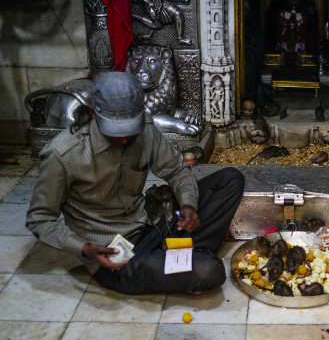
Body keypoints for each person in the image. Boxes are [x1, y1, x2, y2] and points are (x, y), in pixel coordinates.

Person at [26, 72, 244, 295]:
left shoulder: (145, 129)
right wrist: (84, 248)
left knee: (230, 180)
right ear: (93, 114)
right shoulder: (62, 154)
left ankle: (181, 259)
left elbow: (177, 171)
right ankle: (187, 261)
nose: (124, 139)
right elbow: (40, 219)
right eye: (116, 131)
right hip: (118, 253)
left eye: (130, 129)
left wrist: (189, 205)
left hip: (151, 223)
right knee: (212, 271)